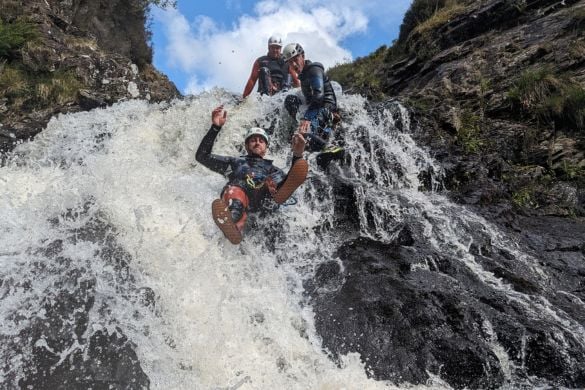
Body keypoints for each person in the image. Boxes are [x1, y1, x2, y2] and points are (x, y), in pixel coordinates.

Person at [196, 105, 308, 244]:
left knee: (275, 183)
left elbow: (293, 179)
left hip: (264, 200)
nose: (257, 143)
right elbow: (202, 156)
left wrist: (297, 155)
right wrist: (215, 128)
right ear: (246, 145)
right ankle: (233, 224)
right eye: (253, 140)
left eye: (261, 141)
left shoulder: (273, 169)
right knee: (235, 189)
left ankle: (275, 194)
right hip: (241, 196)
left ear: (266, 148)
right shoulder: (234, 162)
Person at [281, 43, 343, 168]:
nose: (293, 64)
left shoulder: (314, 69)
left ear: (302, 56)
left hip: (326, 109)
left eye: (295, 60)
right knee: (290, 100)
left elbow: (319, 96)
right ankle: (301, 132)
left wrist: (306, 118)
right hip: (316, 109)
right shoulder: (303, 76)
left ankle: (328, 146)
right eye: (290, 62)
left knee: (304, 136)